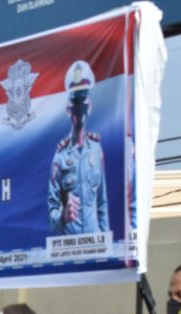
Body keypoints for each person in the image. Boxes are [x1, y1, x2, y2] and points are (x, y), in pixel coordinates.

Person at [49, 60, 109, 235]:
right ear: (69, 108)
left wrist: (106, 243)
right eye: (75, 102)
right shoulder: (60, 156)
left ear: (89, 106)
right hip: (71, 250)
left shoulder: (96, 150)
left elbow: (102, 203)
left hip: (95, 245)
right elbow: (51, 213)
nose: (79, 109)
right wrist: (63, 216)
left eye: (82, 101)